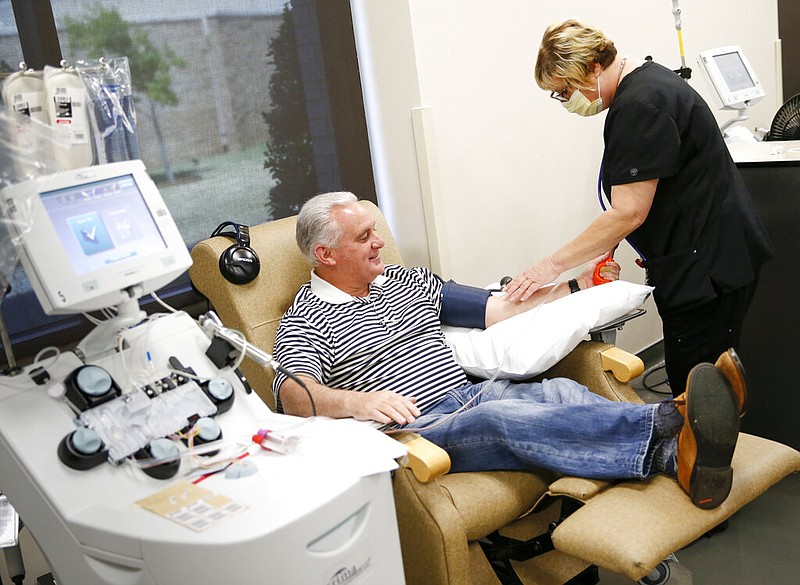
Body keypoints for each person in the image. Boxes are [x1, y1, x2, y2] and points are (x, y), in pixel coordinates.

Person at [272, 191, 746, 509]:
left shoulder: (403, 279)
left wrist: (578, 284)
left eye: (376, 230)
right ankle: (670, 418)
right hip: (417, 431)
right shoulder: (307, 318)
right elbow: (295, 397)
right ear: (326, 256)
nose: (380, 243)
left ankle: (675, 460)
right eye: (364, 238)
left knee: (556, 391)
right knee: (498, 421)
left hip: (473, 394)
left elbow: (497, 310)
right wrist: (357, 402)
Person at [503, 20, 773, 398]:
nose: (565, 101)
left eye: (564, 90)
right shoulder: (648, 82)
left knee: (698, 386)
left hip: (708, 271)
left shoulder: (640, 106)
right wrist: (602, 255)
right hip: (713, 254)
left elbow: (629, 212)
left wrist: (549, 266)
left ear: (594, 67)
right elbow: (643, 189)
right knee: (707, 376)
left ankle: (708, 455)